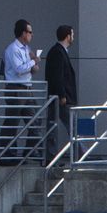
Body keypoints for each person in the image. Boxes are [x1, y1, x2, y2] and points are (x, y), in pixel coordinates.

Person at [0, 18, 40, 162]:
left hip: (26, 88)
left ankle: (29, 151)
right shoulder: (13, 49)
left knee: (36, 119)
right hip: (15, 88)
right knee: (12, 122)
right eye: (30, 32)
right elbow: (18, 69)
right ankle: (5, 154)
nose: (32, 35)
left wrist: (33, 65)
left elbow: (28, 69)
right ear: (23, 33)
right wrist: (33, 62)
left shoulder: (26, 49)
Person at [45, 25, 78, 160]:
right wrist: (62, 95)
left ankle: (52, 156)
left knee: (56, 125)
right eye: (72, 34)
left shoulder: (58, 51)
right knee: (71, 126)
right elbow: (57, 76)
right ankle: (79, 155)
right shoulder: (58, 52)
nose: (73, 37)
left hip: (60, 97)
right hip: (61, 98)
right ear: (67, 36)